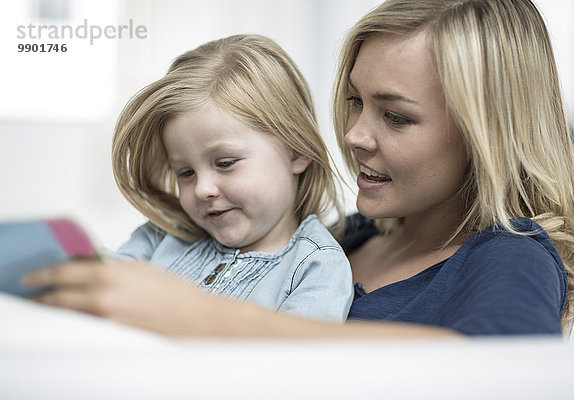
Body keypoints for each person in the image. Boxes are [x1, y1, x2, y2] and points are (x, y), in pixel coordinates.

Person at [24, 0, 574, 337]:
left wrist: (198, 318)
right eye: (355, 101)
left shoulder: (511, 253)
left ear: (486, 134)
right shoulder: (350, 234)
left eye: (396, 118)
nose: (352, 136)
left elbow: (510, 373)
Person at [24, 34, 354, 323]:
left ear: (296, 151)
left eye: (225, 163)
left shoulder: (317, 267)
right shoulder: (162, 236)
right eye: (185, 172)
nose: (203, 189)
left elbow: (296, 365)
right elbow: (105, 288)